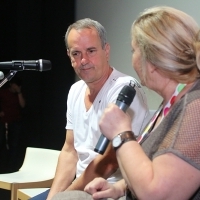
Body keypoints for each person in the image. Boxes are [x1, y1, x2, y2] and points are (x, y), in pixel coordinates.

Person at [51, 6, 200, 200]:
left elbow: (157, 194)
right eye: (76, 53)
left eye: (134, 50)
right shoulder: (172, 103)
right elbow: (159, 169)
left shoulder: (194, 107)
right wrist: (120, 188)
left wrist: (121, 133)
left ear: (153, 59)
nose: (133, 59)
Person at [31, 18, 148, 200]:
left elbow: (109, 162)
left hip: (112, 190)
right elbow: (70, 151)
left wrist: (64, 196)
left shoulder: (124, 90)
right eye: (76, 53)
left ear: (106, 51)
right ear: (69, 56)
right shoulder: (75, 90)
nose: (83, 60)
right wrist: (54, 196)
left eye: (91, 51)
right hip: (80, 187)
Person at [0, 75, 26, 172]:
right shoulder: (3, 92)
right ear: (11, 84)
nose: (17, 87)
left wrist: (19, 92)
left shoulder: (19, 93)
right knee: (2, 144)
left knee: (14, 146)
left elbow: (22, 105)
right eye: (16, 85)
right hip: (4, 122)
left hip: (15, 122)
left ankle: (12, 168)